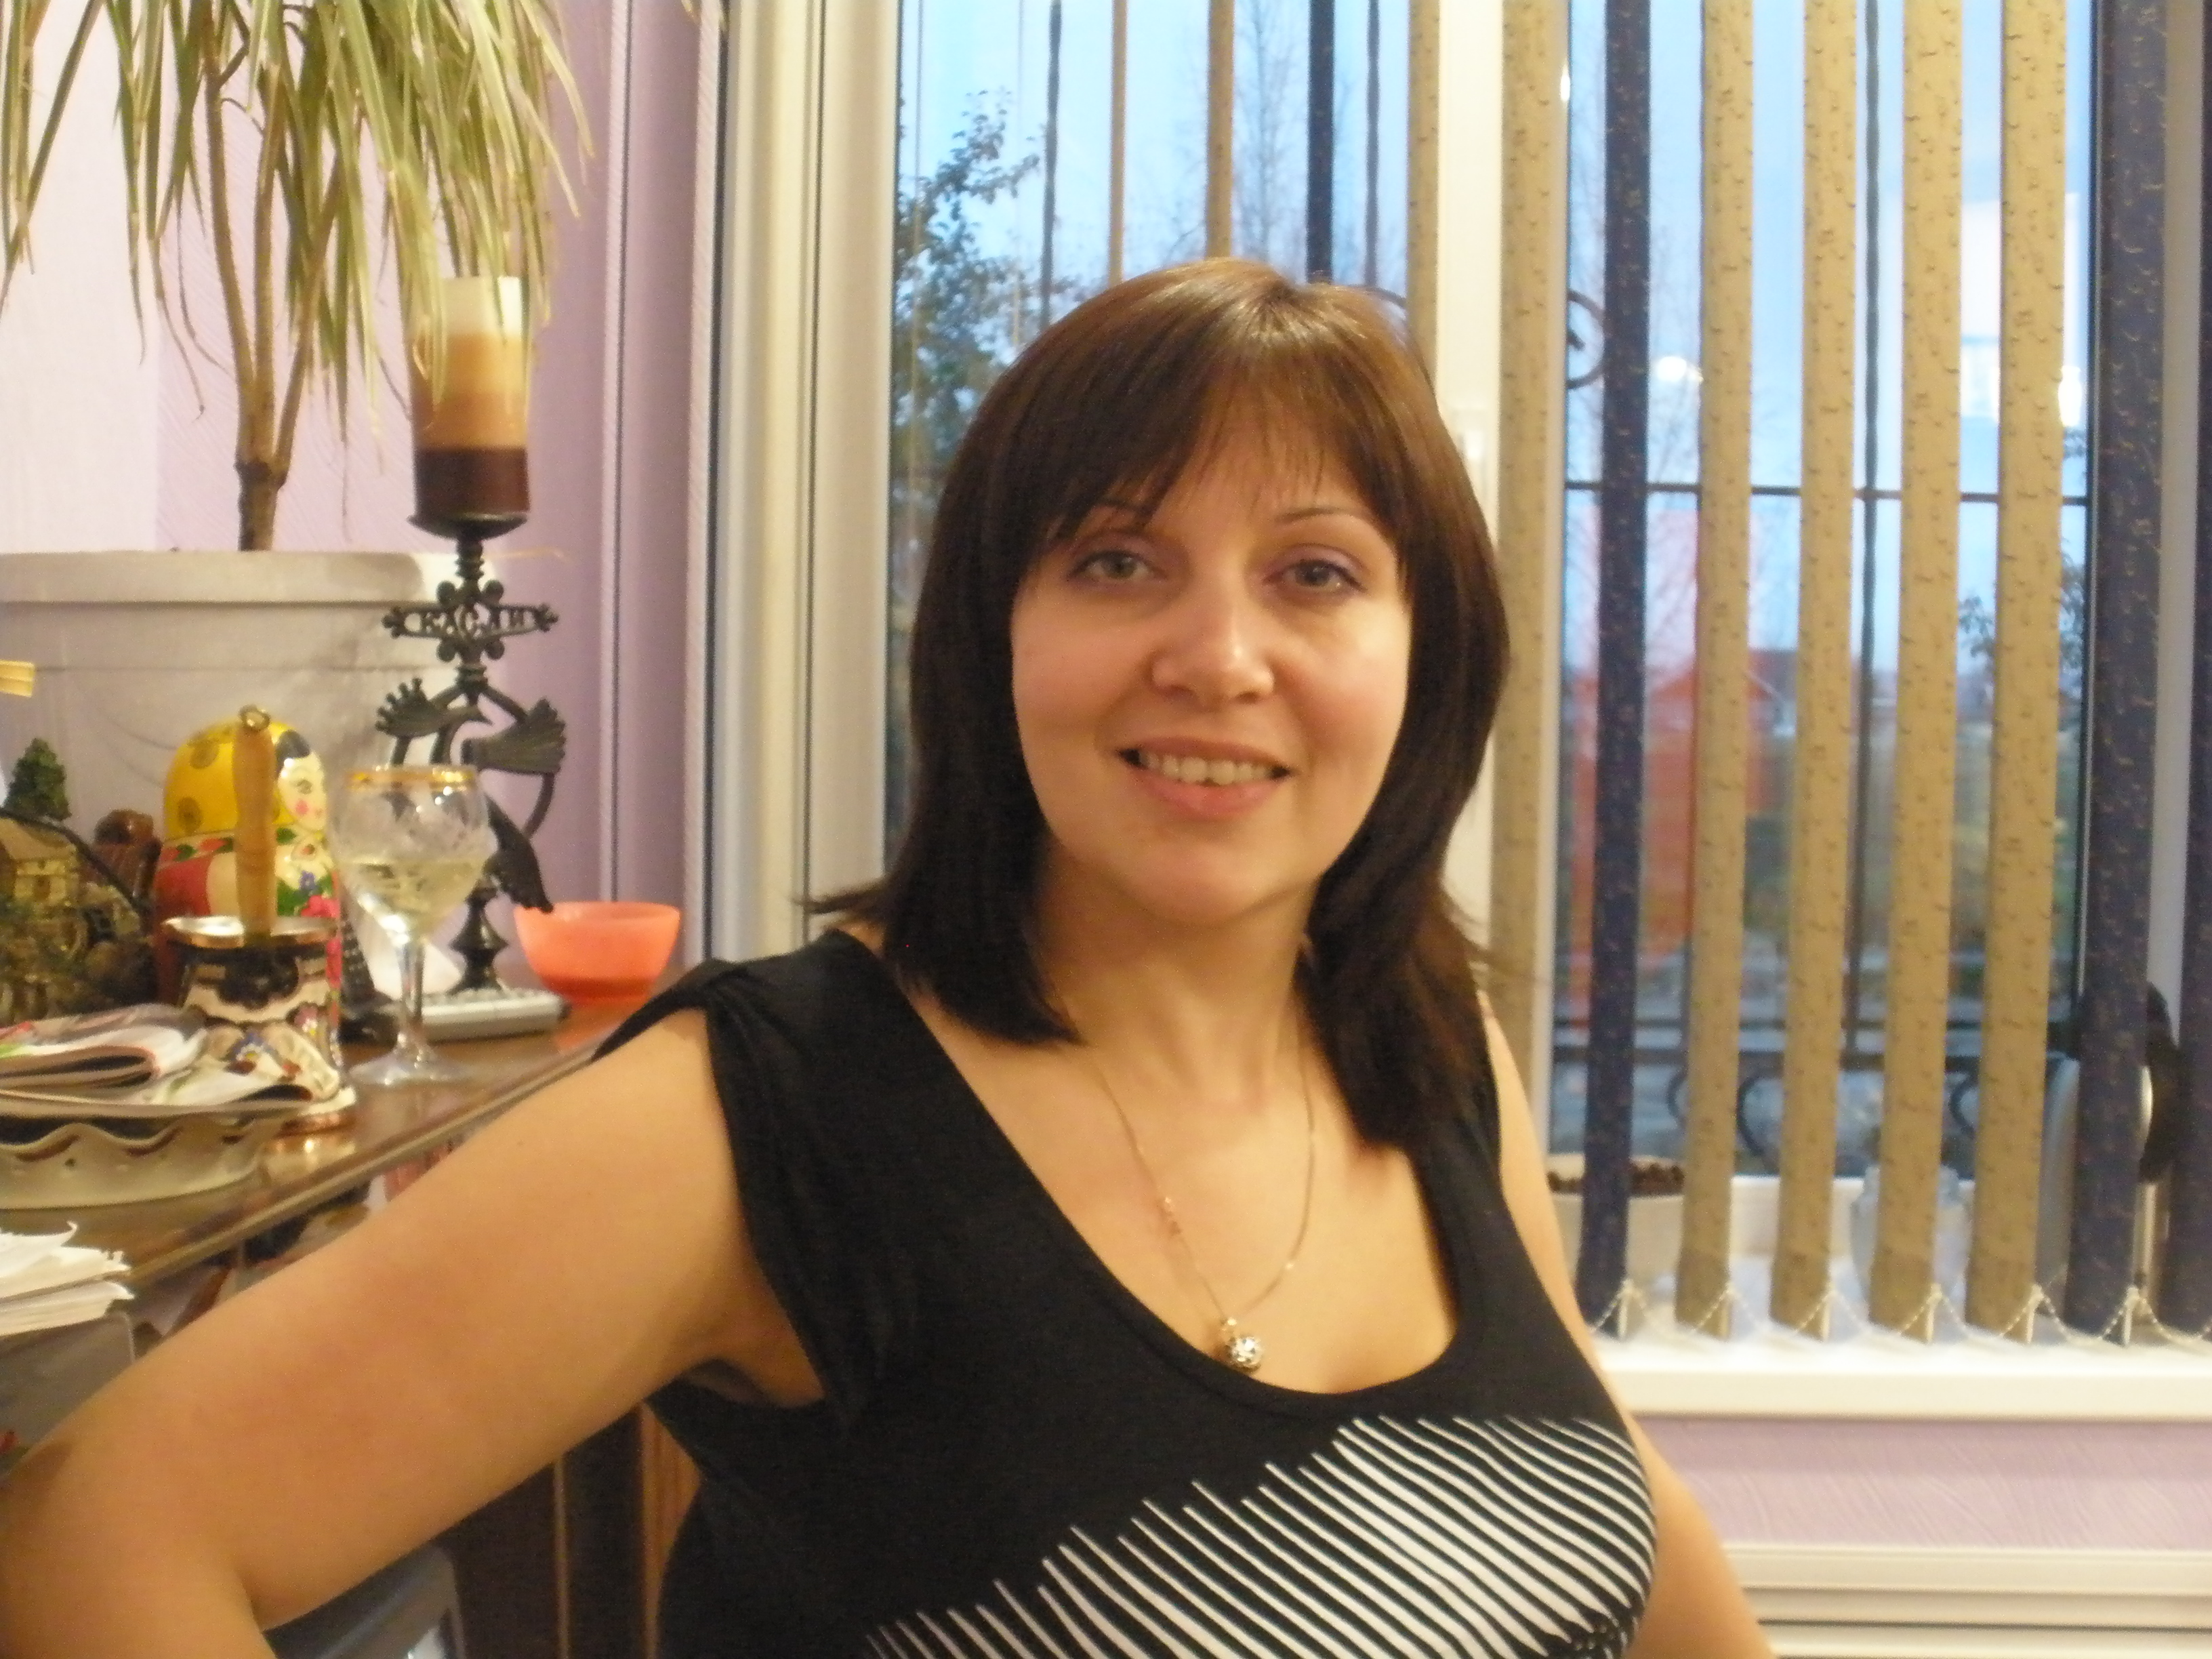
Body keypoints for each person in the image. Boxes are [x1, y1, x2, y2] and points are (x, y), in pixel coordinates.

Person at [0, 260, 1771, 1657]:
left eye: (1315, 574)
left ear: (1426, 654)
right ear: (993, 637)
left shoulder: (1429, 1047)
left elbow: (1595, 1500)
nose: (1218, 656)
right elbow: (102, 1534)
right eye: (1119, 560)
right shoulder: (765, 1115)